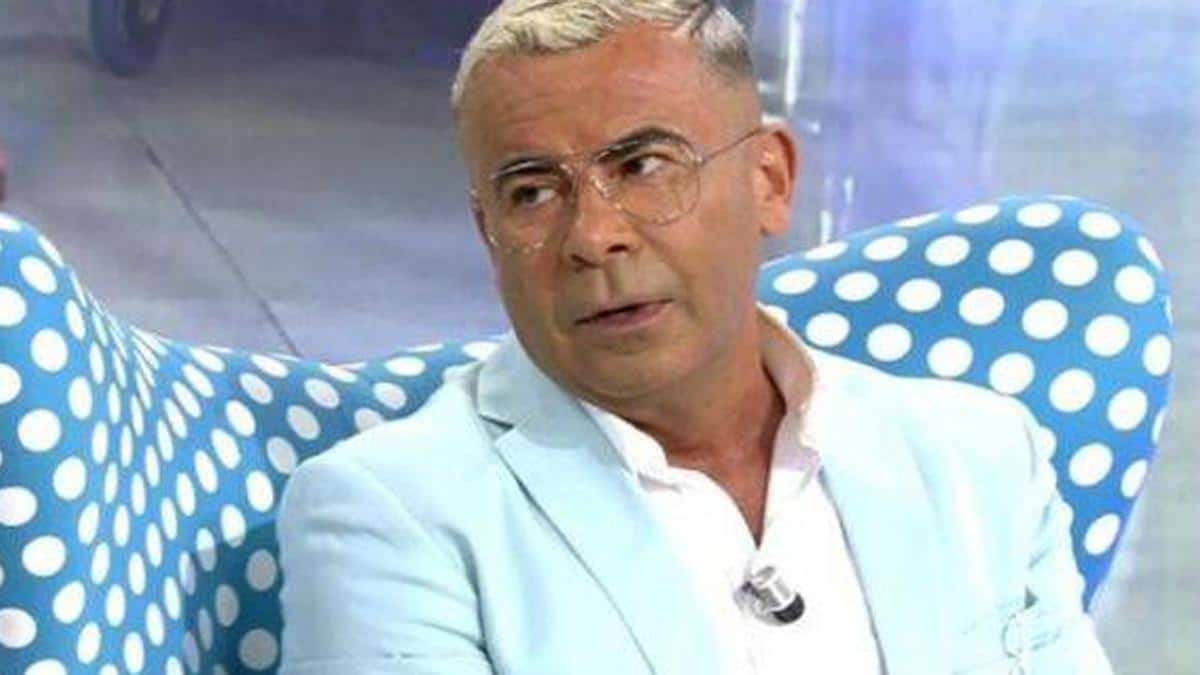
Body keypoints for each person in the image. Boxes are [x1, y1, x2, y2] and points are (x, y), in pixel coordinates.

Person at [275, 1, 1112, 673]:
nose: (592, 236)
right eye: (532, 192)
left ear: (769, 180)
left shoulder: (979, 457)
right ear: (488, 235)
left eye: (644, 166)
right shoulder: (392, 517)